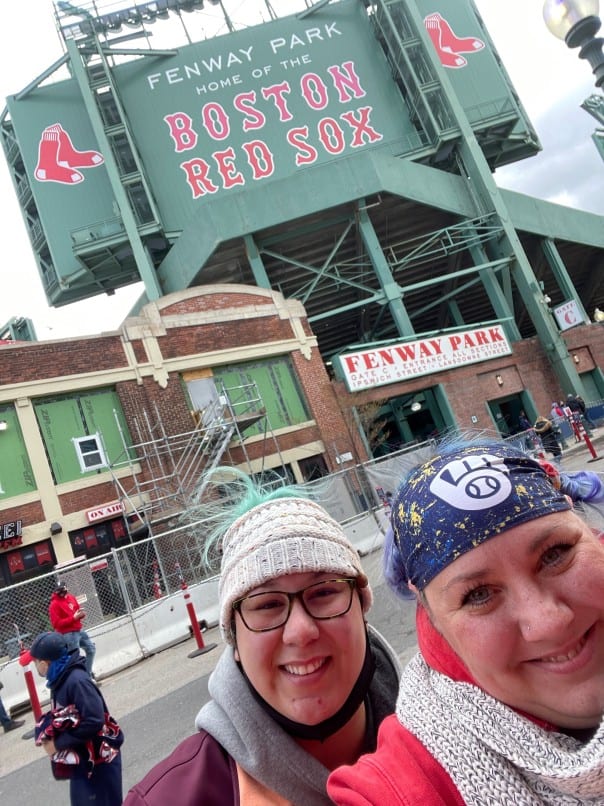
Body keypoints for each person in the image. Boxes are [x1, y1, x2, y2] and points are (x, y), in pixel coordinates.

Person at [328, 438, 604, 804]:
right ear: (434, 619)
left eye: (556, 554)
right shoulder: (400, 784)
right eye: (477, 595)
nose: (548, 621)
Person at [124, 469, 400, 805]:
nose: (300, 631)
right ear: (235, 642)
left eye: (325, 592)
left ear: (361, 606)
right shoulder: (168, 800)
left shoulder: (449, 733)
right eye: (267, 604)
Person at [28, 631, 123, 806]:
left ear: (44, 663)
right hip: (84, 761)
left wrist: (58, 744)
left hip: (99, 762)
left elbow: (94, 720)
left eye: (35, 662)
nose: (35, 667)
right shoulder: (60, 679)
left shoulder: (76, 681)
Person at [49, 582, 96, 677]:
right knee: (75, 659)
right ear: (55, 591)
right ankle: (84, 678)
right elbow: (56, 624)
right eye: (58, 590)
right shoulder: (54, 604)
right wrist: (73, 618)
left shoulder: (71, 597)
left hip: (78, 630)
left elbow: (77, 609)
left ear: (66, 588)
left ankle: (87, 674)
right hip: (67, 634)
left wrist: (80, 614)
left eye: (62, 589)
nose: (61, 592)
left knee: (91, 649)